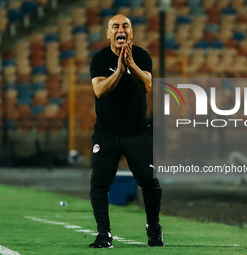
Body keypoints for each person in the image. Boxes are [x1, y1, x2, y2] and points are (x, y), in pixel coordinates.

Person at [89, 14, 163, 248]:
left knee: (150, 183)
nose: (120, 30)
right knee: (99, 184)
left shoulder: (141, 56)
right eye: (115, 27)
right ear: (108, 33)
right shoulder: (100, 59)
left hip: (137, 132)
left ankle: (153, 228)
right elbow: (100, 90)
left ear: (131, 32)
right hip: (107, 133)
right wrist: (119, 71)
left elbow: (147, 86)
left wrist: (131, 65)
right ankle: (104, 234)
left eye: (125, 26)